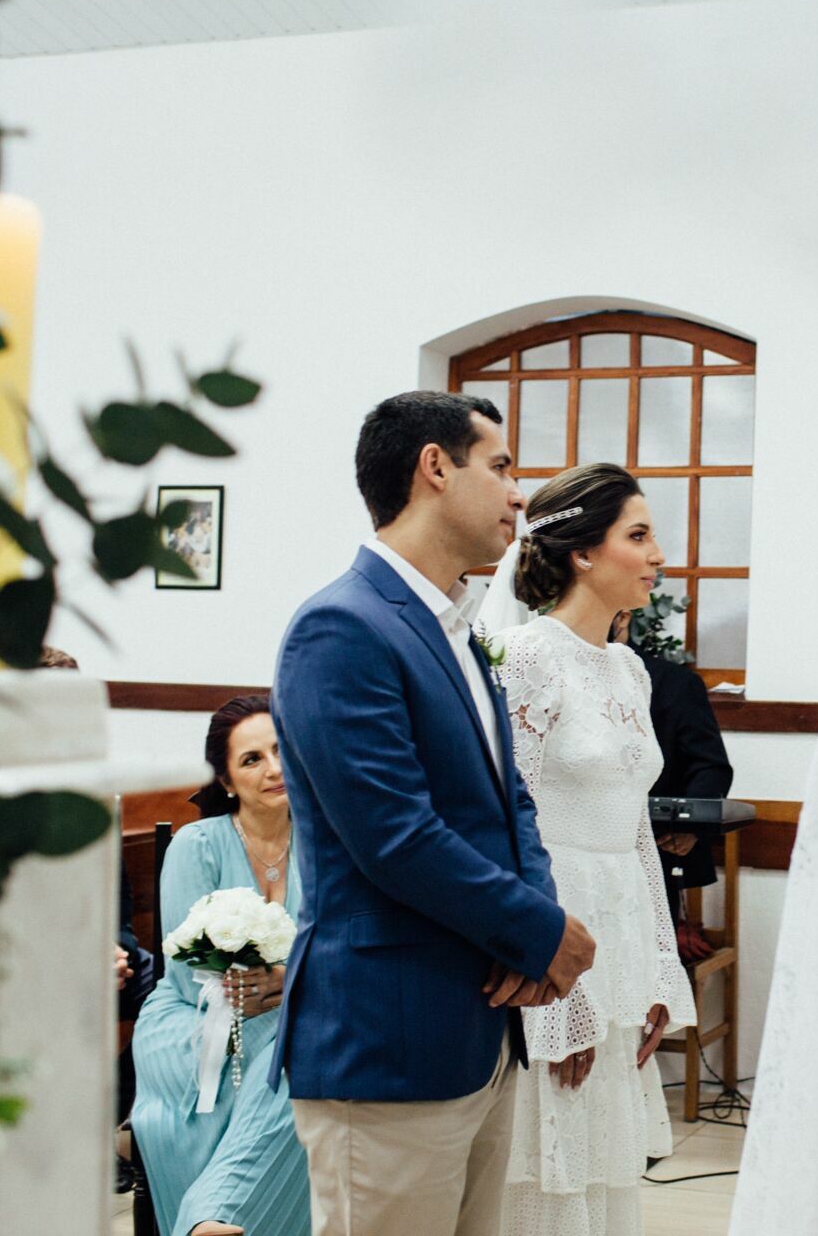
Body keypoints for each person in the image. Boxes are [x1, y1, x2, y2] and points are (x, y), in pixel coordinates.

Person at [271, 392, 595, 1236]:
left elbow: (507, 797)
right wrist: (539, 931)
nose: (520, 495)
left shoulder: (452, 624)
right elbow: (393, 835)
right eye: (502, 467)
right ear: (435, 467)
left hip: (479, 1023)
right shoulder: (340, 627)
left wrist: (532, 929)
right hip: (388, 1037)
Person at [489, 463, 698, 1236]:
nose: (657, 555)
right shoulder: (528, 658)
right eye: (638, 536)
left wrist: (655, 963)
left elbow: (636, 828)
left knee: (604, 1168)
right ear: (582, 553)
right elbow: (512, 826)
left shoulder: (629, 668)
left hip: (618, 929)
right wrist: (560, 997)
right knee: (546, 1164)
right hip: (553, 934)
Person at [130, 695, 309, 1236]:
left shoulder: (328, 842)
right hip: (189, 1018)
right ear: (227, 781)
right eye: (251, 759)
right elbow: (187, 971)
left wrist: (286, 980)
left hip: (290, 1009)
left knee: (307, 1047)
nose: (273, 769)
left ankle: (210, 1215)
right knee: (303, 1051)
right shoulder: (196, 843)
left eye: (280, 751)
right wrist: (282, 985)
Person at [608, 609, 734, 963]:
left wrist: (690, 828)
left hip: (656, 850)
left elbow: (710, 766)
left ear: (623, 618)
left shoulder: (673, 682)